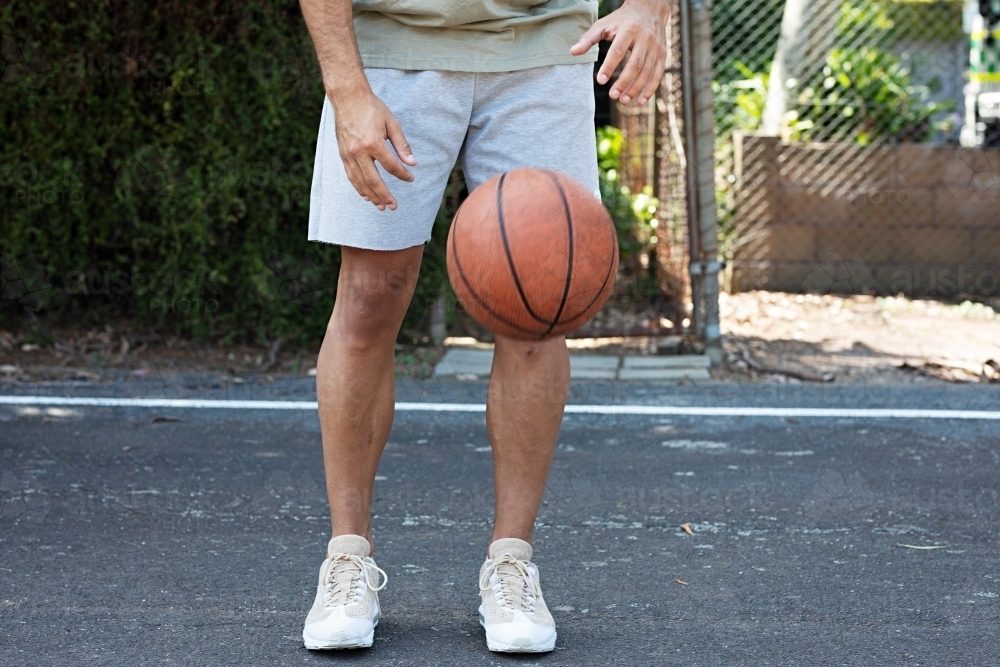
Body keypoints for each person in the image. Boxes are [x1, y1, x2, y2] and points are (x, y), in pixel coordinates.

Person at [298, 0, 667, 652]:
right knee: (367, 297)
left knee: (538, 313)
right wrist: (347, 86)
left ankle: (512, 564)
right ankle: (347, 561)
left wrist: (649, 7)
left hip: (545, 47)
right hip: (391, 46)